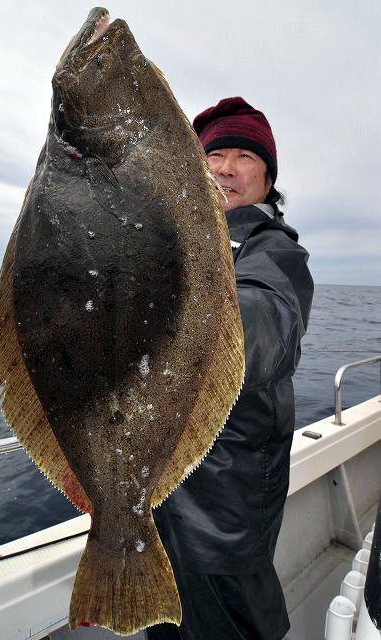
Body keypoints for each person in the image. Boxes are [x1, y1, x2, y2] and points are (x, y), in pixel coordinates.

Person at [147, 97, 314, 640]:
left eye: (244, 157)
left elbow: (267, 331)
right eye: (214, 156)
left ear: (268, 180)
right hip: (155, 490)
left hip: (223, 506)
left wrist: (166, 306)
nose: (224, 168)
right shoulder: (170, 244)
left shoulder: (273, 252)